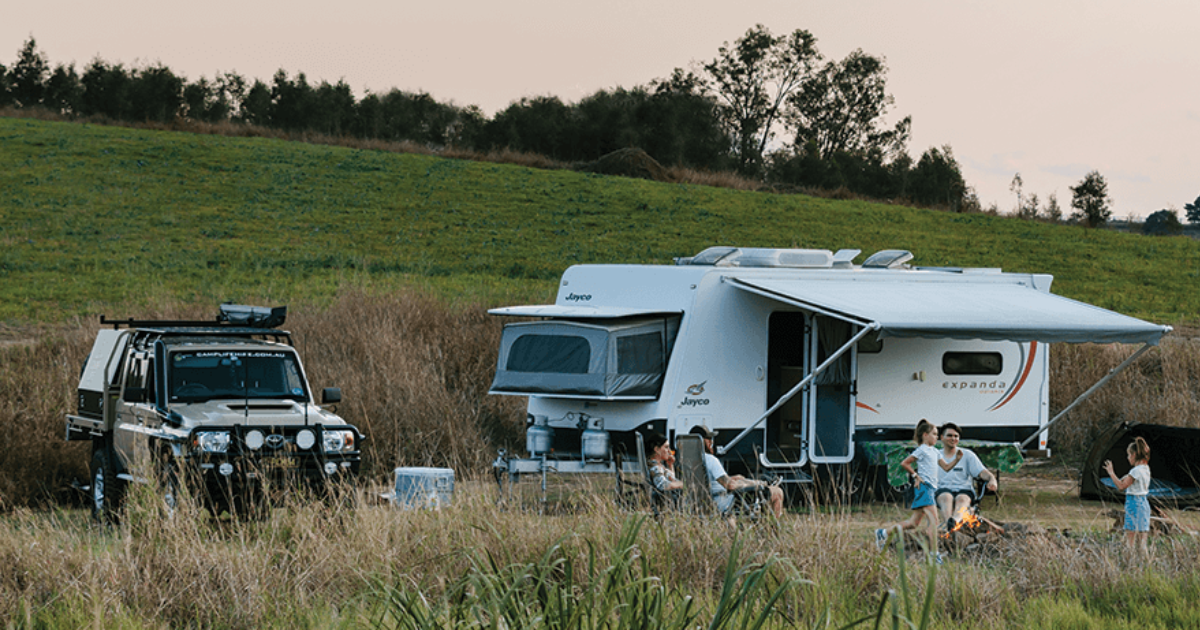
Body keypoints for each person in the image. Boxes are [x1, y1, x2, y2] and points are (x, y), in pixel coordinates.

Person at [875, 419, 943, 564]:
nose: (937, 437)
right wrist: (915, 475)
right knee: (934, 522)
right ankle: (934, 555)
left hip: (930, 488)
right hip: (925, 488)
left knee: (913, 523)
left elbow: (946, 466)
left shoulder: (934, 451)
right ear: (925, 435)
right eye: (935, 434)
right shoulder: (922, 449)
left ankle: (883, 533)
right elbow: (905, 463)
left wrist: (958, 458)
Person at [691, 426, 784, 518]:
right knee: (777, 491)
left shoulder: (686, 460)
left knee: (740, 478)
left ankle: (765, 483)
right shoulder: (710, 460)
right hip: (724, 501)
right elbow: (730, 486)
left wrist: (738, 480)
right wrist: (757, 484)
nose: (711, 442)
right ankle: (773, 529)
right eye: (709, 439)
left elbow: (711, 480)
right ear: (701, 441)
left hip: (702, 502)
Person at [935, 422, 998, 530]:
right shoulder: (936, 455)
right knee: (946, 497)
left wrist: (992, 479)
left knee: (962, 499)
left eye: (956, 436)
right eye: (949, 435)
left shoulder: (967, 455)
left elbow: (982, 472)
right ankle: (949, 525)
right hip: (943, 489)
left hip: (964, 489)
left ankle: (954, 522)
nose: (953, 438)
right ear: (942, 437)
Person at [1103, 436, 1152, 554]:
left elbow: (1121, 486)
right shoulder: (1145, 468)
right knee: (1142, 541)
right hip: (1144, 503)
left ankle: (1130, 562)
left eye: (1129, 455)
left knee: (1130, 539)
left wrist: (1111, 472)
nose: (1128, 458)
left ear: (1134, 455)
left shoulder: (1135, 471)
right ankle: (1145, 566)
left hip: (1134, 503)